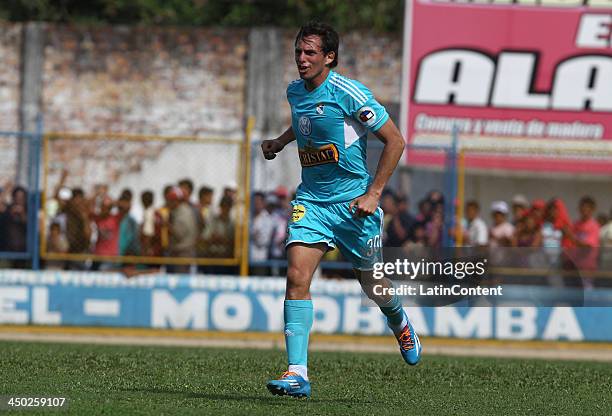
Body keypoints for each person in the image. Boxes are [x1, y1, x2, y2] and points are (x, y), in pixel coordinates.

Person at [261, 21, 421, 398]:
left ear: (329, 57)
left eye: (310, 53)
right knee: (297, 279)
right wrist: (282, 142)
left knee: (374, 287)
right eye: (299, 52)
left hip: (354, 208)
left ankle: (398, 320)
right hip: (312, 203)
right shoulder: (295, 92)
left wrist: (374, 193)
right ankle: (297, 373)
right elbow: (307, 124)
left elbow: (395, 141)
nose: (301, 59)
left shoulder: (350, 93)